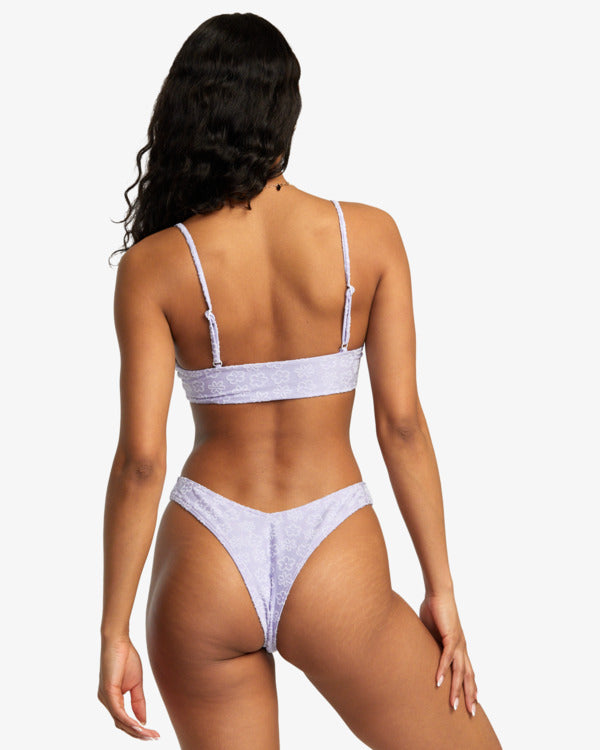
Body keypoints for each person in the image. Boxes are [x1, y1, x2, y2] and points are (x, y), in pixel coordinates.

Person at [98, 12, 502, 749]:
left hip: (205, 553)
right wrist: (441, 587)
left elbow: (141, 462)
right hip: (333, 547)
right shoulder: (368, 236)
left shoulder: (153, 266)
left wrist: (114, 630)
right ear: (285, 111)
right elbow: (401, 425)